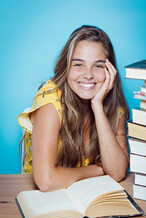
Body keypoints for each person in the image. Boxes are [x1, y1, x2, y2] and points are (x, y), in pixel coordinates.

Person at [18, 25, 130, 192]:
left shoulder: (114, 105)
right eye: (78, 64)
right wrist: (99, 169)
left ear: (110, 71)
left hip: (88, 194)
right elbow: (46, 181)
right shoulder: (51, 102)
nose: (88, 74)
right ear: (66, 67)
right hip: (42, 199)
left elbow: (118, 171)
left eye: (98, 66)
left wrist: (97, 107)